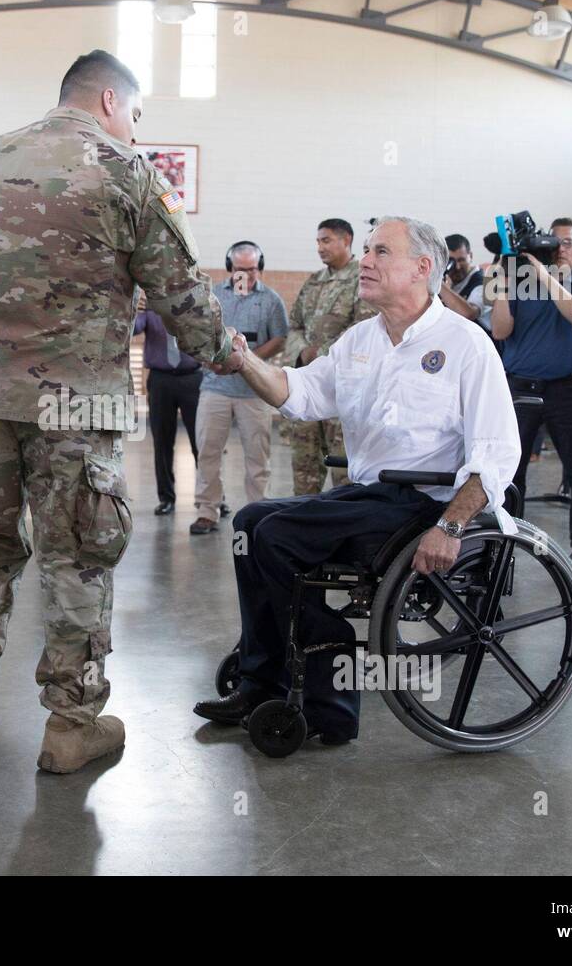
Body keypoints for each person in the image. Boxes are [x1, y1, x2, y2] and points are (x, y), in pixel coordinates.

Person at [0, 49, 232, 770]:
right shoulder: (129, 173)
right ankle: (70, 724)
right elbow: (180, 294)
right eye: (134, 113)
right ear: (109, 102)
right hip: (74, 402)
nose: (133, 127)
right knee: (77, 556)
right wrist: (229, 354)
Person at [193, 217, 520, 738]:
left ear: (421, 268)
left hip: (426, 505)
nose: (365, 261)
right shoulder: (360, 340)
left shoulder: (465, 344)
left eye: (380, 252)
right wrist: (244, 359)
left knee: (276, 535)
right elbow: (297, 393)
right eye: (366, 250)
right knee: (251, 522)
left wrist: (452, 526)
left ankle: (327, 699)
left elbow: (497, 450)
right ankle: (261, 679)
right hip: (373, 495)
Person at [491, 216, 572, 573]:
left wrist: (543, 272)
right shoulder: (521, 285)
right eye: (555, 242)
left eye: (569, 243)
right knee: (510, 472)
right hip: (521, 388)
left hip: (567, 389)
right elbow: (500, 329)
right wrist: (505, 282)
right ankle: (503, 543)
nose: (561, 248)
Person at [191, 241, 287, 534]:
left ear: (261, 268)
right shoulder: (212, 296)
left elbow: (279, 337)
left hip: (254, 393)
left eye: (253, 269)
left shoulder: (271, 300)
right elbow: (196, 334)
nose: (246, 274)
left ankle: (257, 512)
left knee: (257, 456)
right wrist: (212, 362)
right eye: (240, 269)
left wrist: (247, 361)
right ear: (229, 268)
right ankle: (207, 510)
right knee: (208, 451)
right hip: (215, 388)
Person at [283, 219, 369, 496]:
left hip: (343, 389)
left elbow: (362, 328)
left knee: (344, 469)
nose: (320, 247)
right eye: (318, 241)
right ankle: (304, 525)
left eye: (327, 240)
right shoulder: (313, 282)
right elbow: (294, 324)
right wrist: (301, 352)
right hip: (309, 386)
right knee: (305, 465)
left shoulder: (361, 279)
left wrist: (318, 354)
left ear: (347, 241)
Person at [134, 296, 203, 514]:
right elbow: (134, 329)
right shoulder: (149, 304)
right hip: (161, 379)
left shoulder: (193, 300)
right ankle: (166, 498)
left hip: (192, 378)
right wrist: (132, 308)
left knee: (201, 441)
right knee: (162, 442)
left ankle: (212, 497)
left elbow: (201, 330)